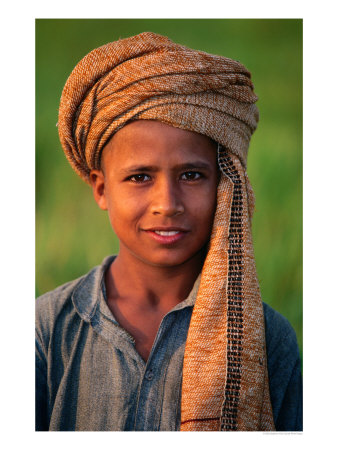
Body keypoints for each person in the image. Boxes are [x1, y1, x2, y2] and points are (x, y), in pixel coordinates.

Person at [35, 32, 302, 431]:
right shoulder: (47, 328)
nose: (167, 202)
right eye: (140, 176)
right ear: (102, 188)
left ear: (226, 186)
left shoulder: (265, 339)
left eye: (192, 175)